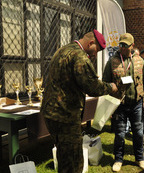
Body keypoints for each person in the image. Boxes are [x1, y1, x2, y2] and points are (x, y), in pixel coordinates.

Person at [41, 29, 118, 173]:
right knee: (74, 161)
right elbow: (93, 87)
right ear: (91, 43)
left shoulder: (63, 50)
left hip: (51, 112)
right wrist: (110, 87)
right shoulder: (80, 57)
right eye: (97, 50)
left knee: (64, 155)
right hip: (66, 116)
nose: (95, 55)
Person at [102, 33, 144, 172]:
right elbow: (105, 83)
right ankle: (118, 159)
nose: (123, 47)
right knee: (119, 134)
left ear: (132, 46)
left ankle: (139, 158)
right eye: (121, 45)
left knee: (138, 132)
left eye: (126, 45)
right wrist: (109, 106)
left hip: (136, 103)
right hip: (119, 105)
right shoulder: (112, 61)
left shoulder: (139, 61)